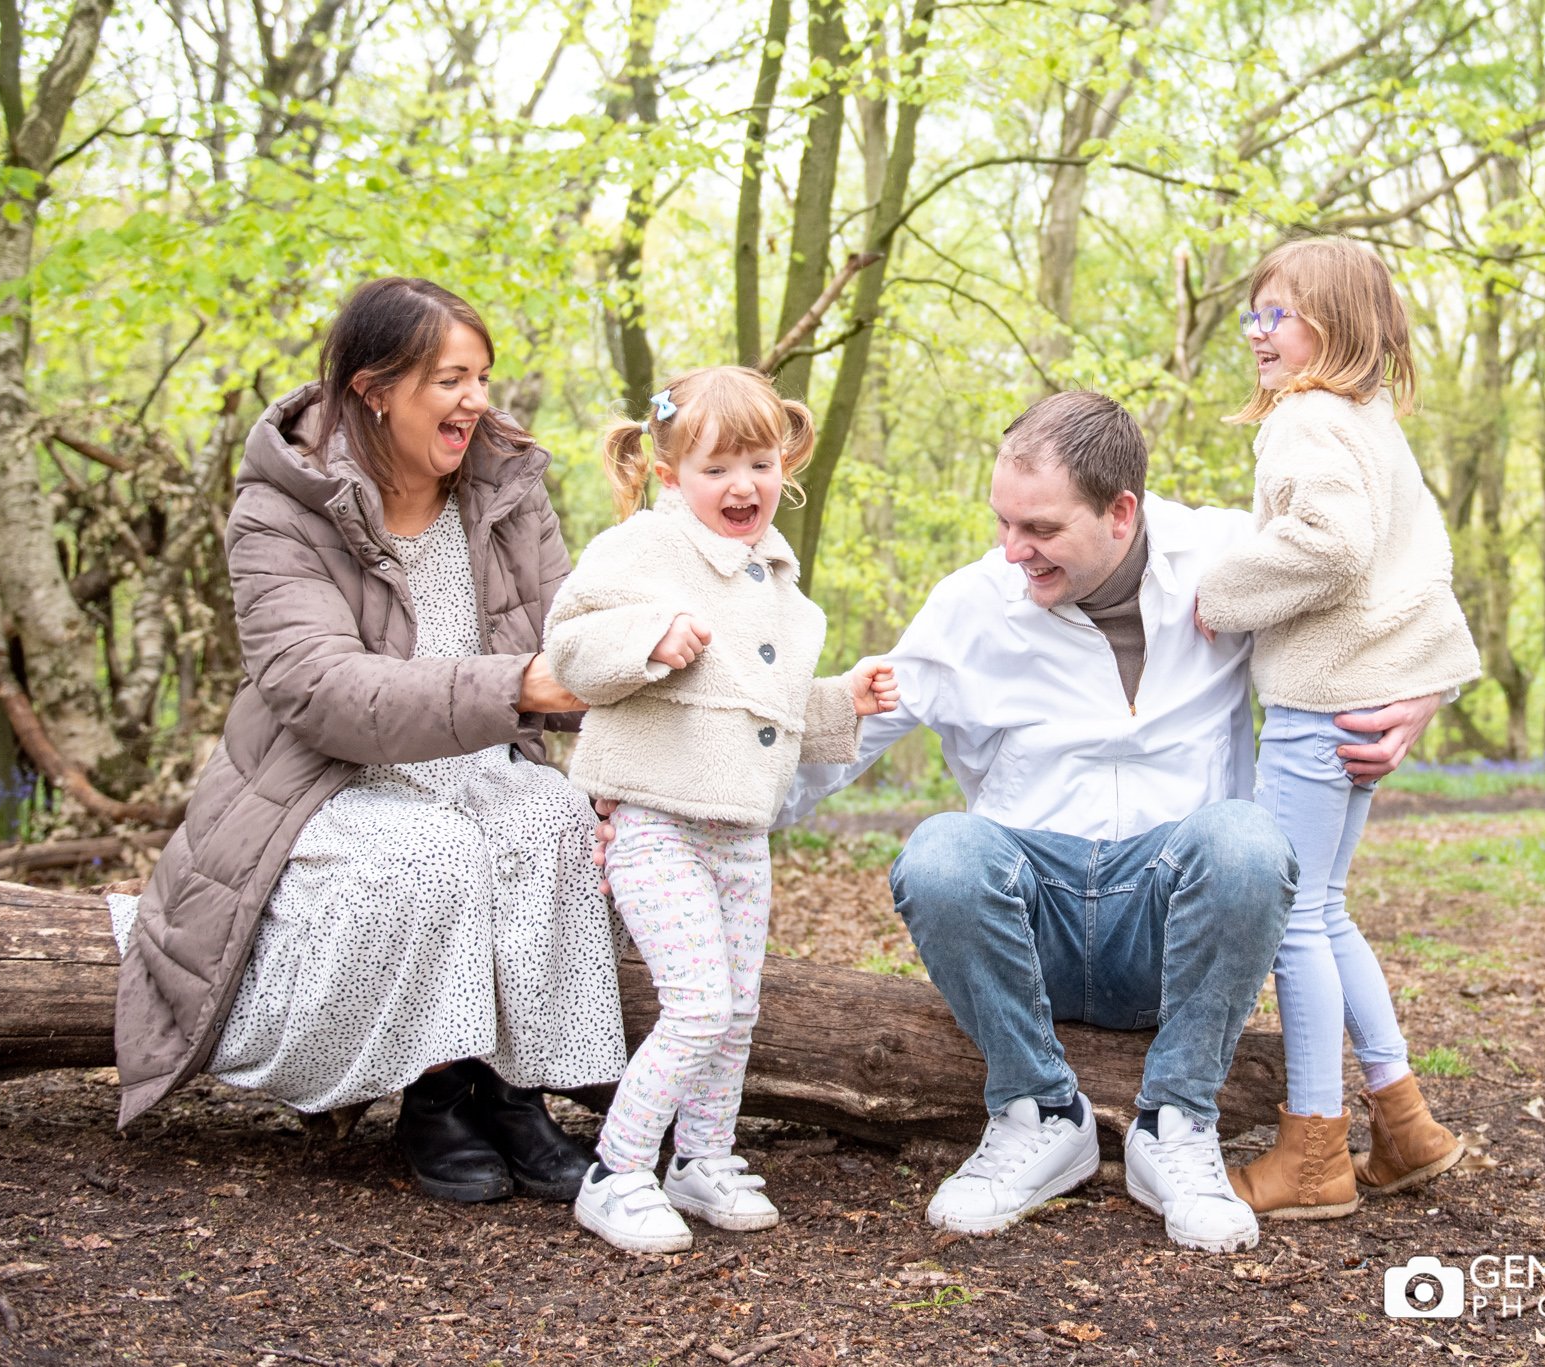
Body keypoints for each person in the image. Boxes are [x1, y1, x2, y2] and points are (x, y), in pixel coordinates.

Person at [764, 390, 1446, 1253]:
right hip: (1031, 923)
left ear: (1121, 512)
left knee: (1248, 840)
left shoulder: (1227, 558)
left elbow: (1382, 570)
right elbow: (842, 741)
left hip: (1171, 923)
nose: (1014, 551)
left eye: (1040, 530)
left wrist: (1427, 685)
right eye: (1004, 523)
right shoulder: (974, 605)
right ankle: (1040, 1110)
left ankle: (1176, 1125)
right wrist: (689, 809)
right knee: (941, 852)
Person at [111, 278, 624, 1207]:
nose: (477, 400)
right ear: (375, 388)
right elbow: (319, 689)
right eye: (451, 379)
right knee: (434, 851)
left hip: (481, 758)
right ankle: (434, 1092)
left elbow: (571, 633)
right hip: (326, 778)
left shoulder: (506, 489)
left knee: (548, 814)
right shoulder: (279, 509)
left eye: (482, 377)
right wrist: (515, 685)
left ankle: (515, 1093)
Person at [545, 366, 899, 1254]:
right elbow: (572, 649)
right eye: (716, 468)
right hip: (655, 819)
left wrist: (843, 699)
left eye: (759, 462)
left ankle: (701, 1156)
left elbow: (760, 706)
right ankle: (616, 1168)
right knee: (698, 1002)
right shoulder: (638, 551)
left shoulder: (776, 577)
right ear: (669, 475)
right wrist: (648, 639)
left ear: (786, 462)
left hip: (740, 832)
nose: (743, 485)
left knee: (737, 1007)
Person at [1193, 237, 1478, 1220]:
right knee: (1326, 907)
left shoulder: (1306, 416)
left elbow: (1333, 544)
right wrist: (1425, 677)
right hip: (1361, 693)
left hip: (1319, 703)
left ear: (1340, 328)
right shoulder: (1370, 420)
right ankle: (1403, 1125)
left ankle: (1312, 1150)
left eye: (1279, 314)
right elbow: (1418, 559)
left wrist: (1219, 591)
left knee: (1292, 919)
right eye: (1253, 312)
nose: (1256, 331)